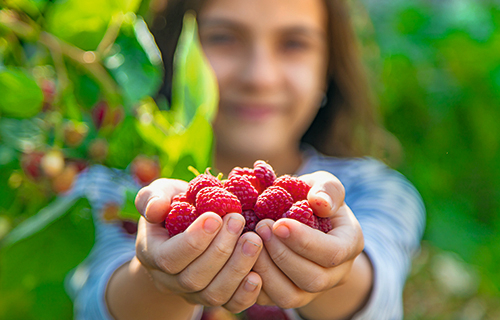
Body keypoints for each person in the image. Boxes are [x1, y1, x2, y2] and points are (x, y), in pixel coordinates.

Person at [65, 0, 426, 319]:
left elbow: (377, 293)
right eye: (224, 37)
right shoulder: (113, 190)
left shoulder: (377, 191)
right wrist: (158, 276)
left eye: (294, 44)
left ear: (329, 66)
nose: (260, 76)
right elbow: (99, 302)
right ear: (173, 48)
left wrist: (336, 268)